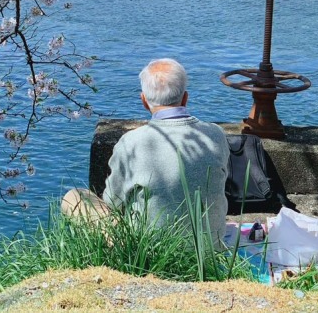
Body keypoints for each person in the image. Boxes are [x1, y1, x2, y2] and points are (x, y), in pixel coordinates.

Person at [62, 58, 229, 247]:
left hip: (148, 255)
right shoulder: (216, 135)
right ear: (185, 97)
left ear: (144, 101)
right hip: (209, 252)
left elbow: (113, 203)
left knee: (74, 196)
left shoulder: (131, 142)